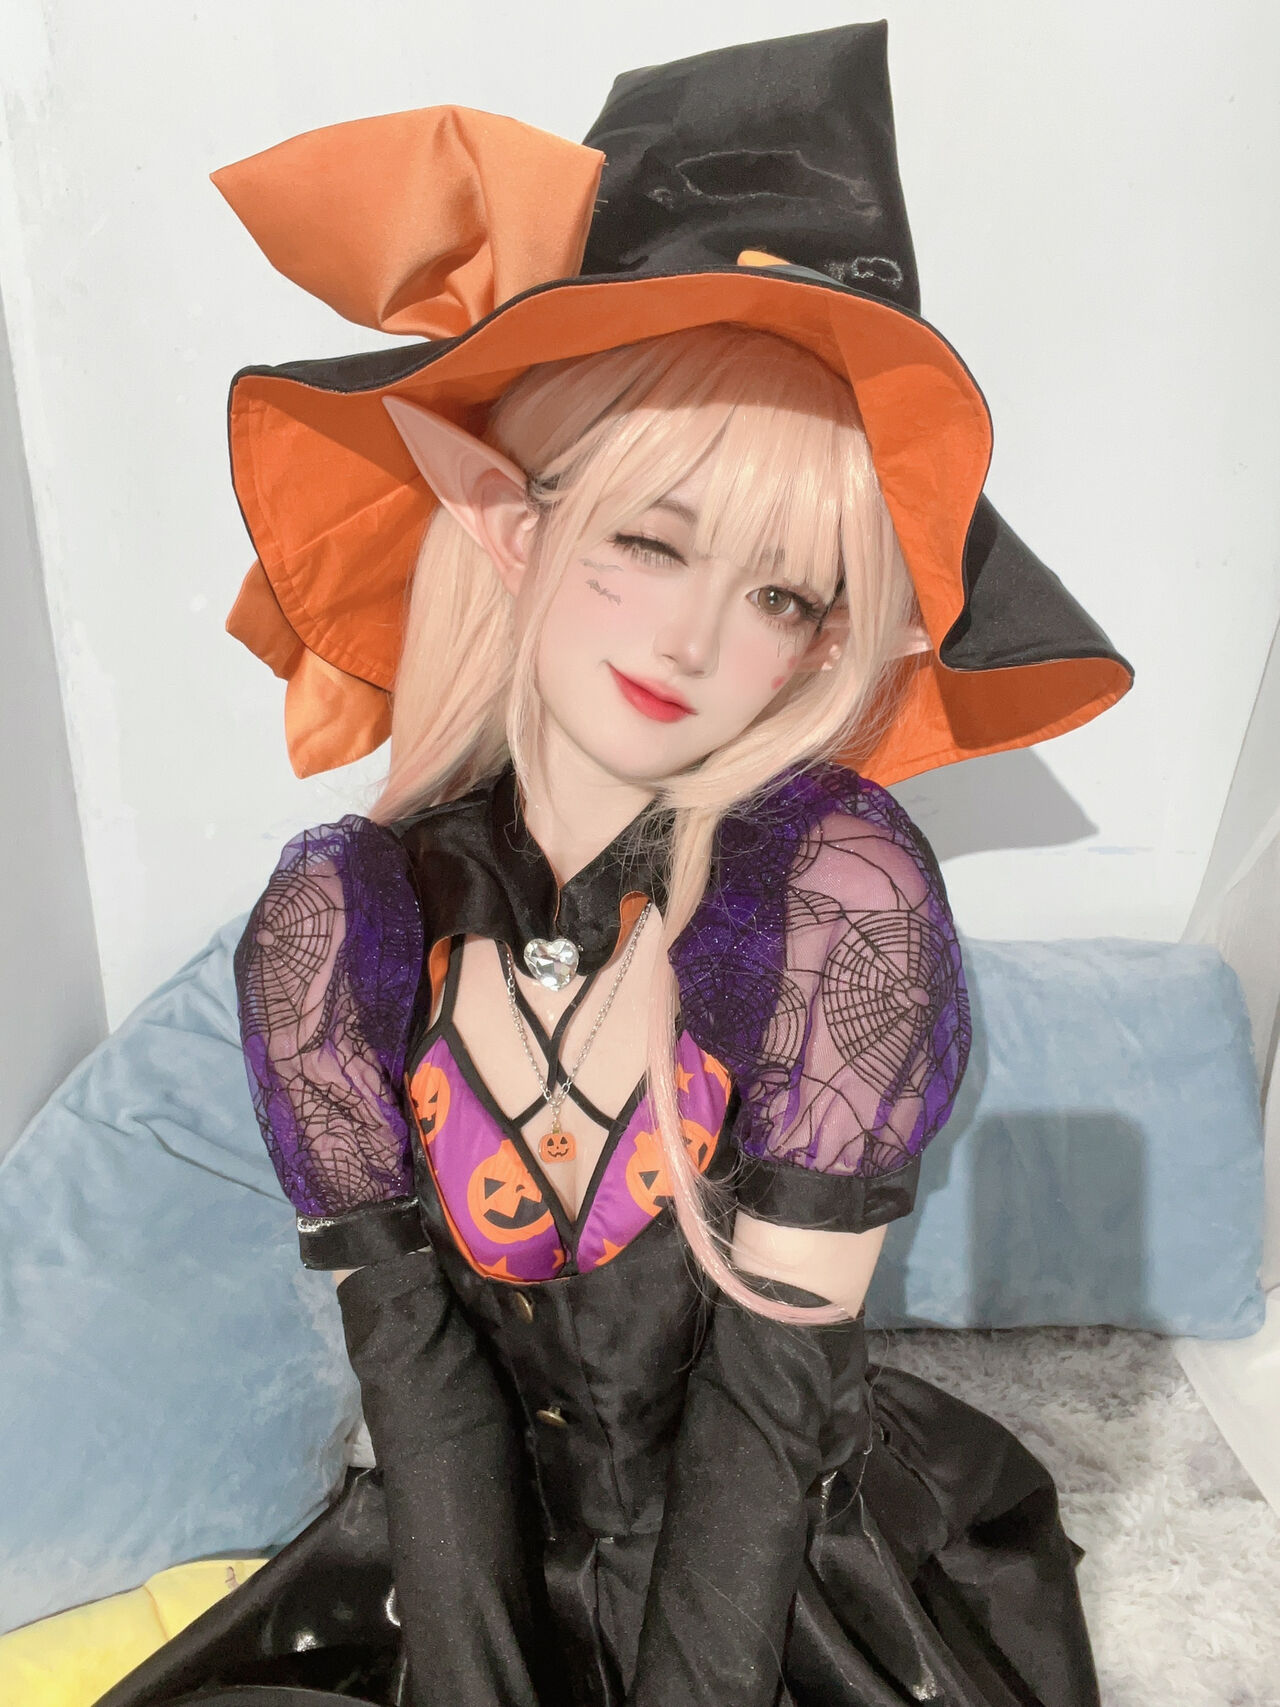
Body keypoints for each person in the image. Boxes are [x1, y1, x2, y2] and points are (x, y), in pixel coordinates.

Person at [99, 22, 1131, 1707]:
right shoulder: (340, 924)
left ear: (829, 642)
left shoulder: (836, 902)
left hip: (769, 1580)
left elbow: (770, 1405)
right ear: (511, 522)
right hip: (469, 1559)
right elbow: (422, 1391)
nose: (697, 640)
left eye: (783, 593)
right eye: (650, 541)